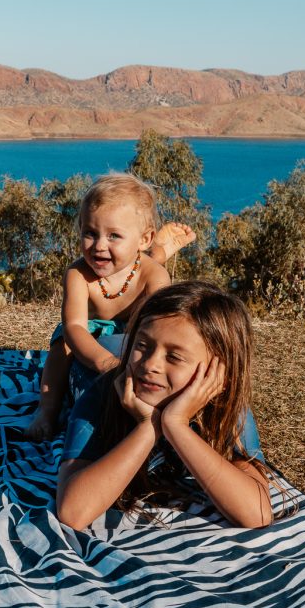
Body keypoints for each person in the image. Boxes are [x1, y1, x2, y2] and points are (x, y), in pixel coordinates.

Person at [56, 280, 273, 531]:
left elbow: (256, 513)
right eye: (142, 345)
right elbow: (73, 511)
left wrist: (175, 424)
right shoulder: (102, 392)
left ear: (219, 374)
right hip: (91, 367)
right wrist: (147, 427)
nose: (150, 365)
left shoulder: (227, 411)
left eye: (174, 357)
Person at [24, 172, 196, 441]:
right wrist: (105, 362)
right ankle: (46, 409)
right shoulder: (78, 274)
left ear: (143, 238)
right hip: (90, 332)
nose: (99, 246)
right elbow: (74, 327)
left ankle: (160, 250)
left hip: (132, 328)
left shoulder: (154, 277)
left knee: (152, 263)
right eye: (90, 233)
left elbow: (162, 329)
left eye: (114, 235)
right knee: (61, 347)